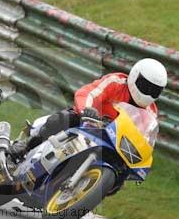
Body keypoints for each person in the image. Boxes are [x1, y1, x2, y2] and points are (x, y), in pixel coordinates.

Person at [10, 58, 168, 159]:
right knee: (65, 118)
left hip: (113, 143)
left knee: (122, 173)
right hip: (89, 123)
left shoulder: (150, 112)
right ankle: (26, 146)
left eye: (154, 90)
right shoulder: (116, 83)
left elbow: (144, 138)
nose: (148, 92)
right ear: (134, 76)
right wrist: (88, 111)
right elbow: (88, 93)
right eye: (145, 85)